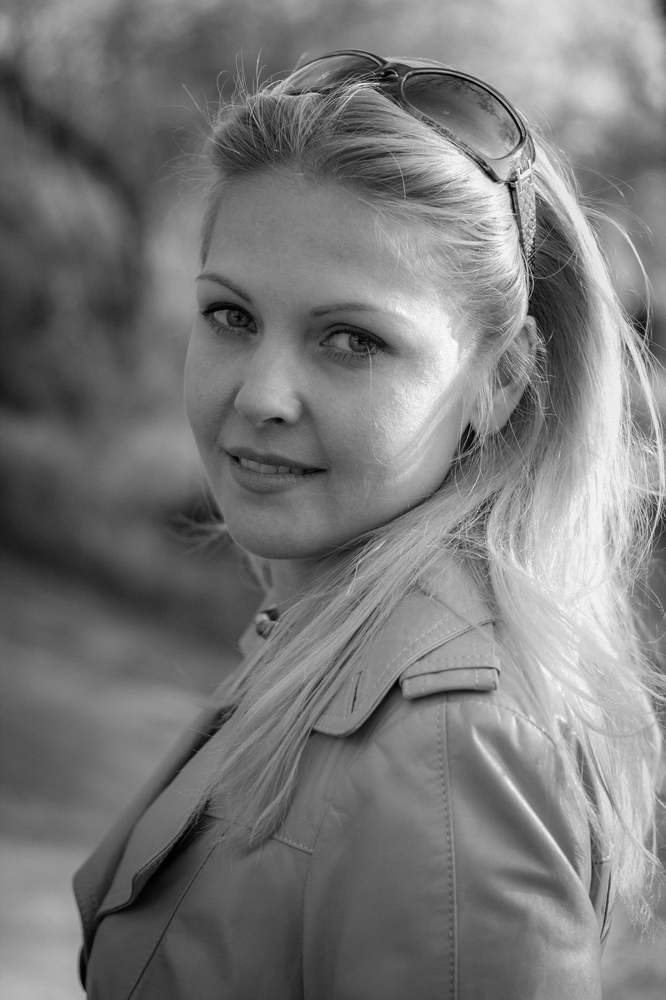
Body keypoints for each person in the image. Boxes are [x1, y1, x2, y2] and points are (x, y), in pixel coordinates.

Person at [73, 51, 665, 998]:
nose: (261, 396)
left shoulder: (448, 747)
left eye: (353, 340)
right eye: (231, 316)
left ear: (501, 381)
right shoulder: (335, 637)